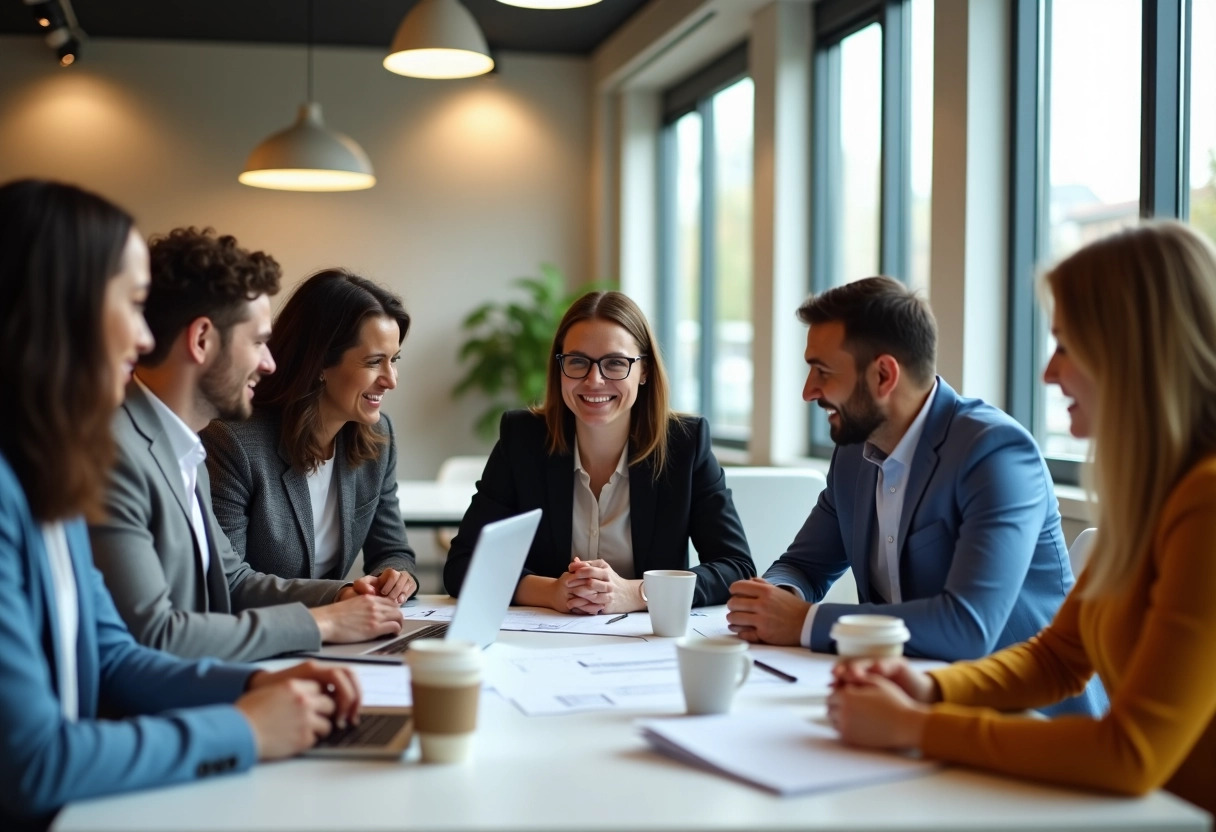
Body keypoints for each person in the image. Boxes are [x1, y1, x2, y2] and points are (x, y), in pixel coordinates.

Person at [0, 179, 360, 830]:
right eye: (132, 305)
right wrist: (244, 729)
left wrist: (254, 687)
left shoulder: (50, 469)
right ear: (62, 311)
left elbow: (112, 656)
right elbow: (31, 762)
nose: (142, 338)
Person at [827, 222, 1216, 815]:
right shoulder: (1156, 492)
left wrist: (916, 727)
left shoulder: (1207, 502)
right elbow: (1057, 657)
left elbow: (1131, 754)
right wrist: (928, 688)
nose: (1048, 373)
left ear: (1132, 349)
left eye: (1066, 344)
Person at [726, 275, 1104, 716]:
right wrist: (774, 596)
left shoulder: (996, 452)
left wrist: (803, 622)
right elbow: (804, 565)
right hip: (908, 702)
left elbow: (968, 626)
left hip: (1026, 721)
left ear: (884, 375)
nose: (809, 390)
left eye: (823, 372)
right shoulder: (853, 452)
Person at [89, 228, 406, 662]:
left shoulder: (185, 449)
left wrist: (343, 596)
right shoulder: (116, 454)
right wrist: (323, 624)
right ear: (202, 340)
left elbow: (231, 580)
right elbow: (154, 636)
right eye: (258, 342)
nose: (270, 362)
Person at [443, 290, 754, 613]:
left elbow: (736, 568)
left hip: (645, 647)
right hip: (542, 641)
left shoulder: (685, 444)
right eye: (578, 361)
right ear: (559, 367)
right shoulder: (522, 439)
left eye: (616, 363)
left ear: (644, 370)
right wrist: (550, 592)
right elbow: (463, 565)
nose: (594, 380)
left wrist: (637, 593)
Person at [201, 269, 418, 605]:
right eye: (375, 362)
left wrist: (396, 577)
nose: (391, 380)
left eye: (394, 360)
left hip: (339, 633)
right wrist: (339, 594)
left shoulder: (377, 436)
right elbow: (227, 584)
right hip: (264, 640)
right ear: (319, 363)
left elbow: (393, 550)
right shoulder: (233, 442)